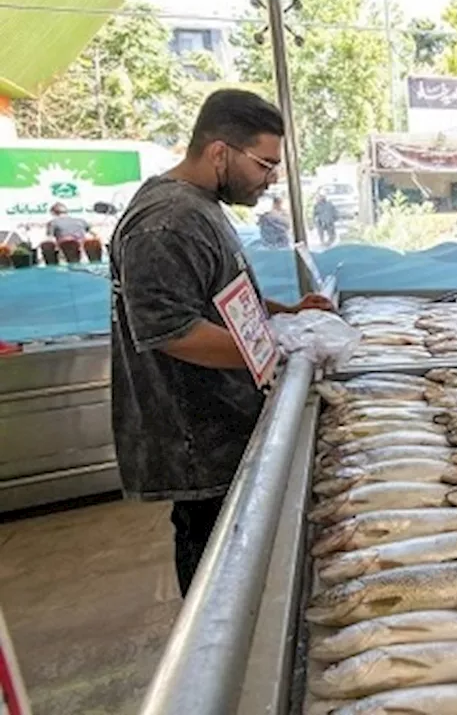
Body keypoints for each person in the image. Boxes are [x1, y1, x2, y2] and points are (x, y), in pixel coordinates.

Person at [110, 89, 333, 596]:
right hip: (197, 440)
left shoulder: (200, 206)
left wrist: (287, 313)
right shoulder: (163, 223)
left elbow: (226, 297)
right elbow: (172, 332)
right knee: (213, 567)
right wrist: (282, 348)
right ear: (219, 152)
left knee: (238, 555)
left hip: (227, 423)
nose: (270, 178)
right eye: (263, 164)